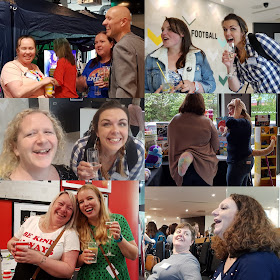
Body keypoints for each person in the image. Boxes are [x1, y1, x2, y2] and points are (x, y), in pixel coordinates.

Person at [7, 191, 80, 280]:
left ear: (72, 214)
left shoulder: (70, 234)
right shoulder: (32, 220)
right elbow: (12, 241)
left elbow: (68, 271)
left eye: (69, 208)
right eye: (60, 204)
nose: (63, 209)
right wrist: (13, 249)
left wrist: (38, 259)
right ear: (53, 204)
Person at [70, 100, 144, 180]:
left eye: (122, 124)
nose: (115, 131)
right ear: (97, 131)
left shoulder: (138, 150)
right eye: (106, 124)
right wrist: (81, 179)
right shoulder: (80, 148)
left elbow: (130, 184)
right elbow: (73, 180)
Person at [76, 184, 138, 280]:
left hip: (116, 276)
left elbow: (133, 255)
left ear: (100, 200)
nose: (86, 203)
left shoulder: (118, 220)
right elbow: (72, 262)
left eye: (90, 198)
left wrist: (119, 239)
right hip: (89, 276)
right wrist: (81, 258)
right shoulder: (78, 227)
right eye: (81, 202)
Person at [211, 194, 280, 280]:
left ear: (243, 216)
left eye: (224, 208)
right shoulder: (230, 254)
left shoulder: (256, 262)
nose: (213, 212)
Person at [0, 108, 77, 180]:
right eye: (31, 134)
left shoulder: (68, 173)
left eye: (48, 132)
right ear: (15, 147)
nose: (42, 140)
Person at [145, 17, 216, 93]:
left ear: (182, 33)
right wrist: (154, 97)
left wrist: (194, 86)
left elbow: (211, 85)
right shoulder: (151, 59)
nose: (163, 33)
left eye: (170, 29)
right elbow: (144, 89)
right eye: (162, 30)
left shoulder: (198, 56)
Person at [168, 93, 219, 186]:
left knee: (187, 198)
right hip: (204, 166)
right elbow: (216, 146)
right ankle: (189, 155)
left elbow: (171, 143)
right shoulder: (207, 122)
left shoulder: (174, 120)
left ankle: (187, 156)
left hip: (181, 168)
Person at [222, 13, 280, 93]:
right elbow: (236, 88)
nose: (227, 33)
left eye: (232, 29)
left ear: (242, 31)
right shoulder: (234, 55)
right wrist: (229, 66)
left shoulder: (258, 39)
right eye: (225, 29)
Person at [224, 98, 276, 186]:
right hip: (242, 161)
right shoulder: (242, 123)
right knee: (242, 191)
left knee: (233, 191)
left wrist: (237, 108)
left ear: (239, 110)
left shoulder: (242, 122)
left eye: (231, 110)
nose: (229, 113)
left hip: (238, 163)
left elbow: (229, 122)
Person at [102, 6, 144, 98]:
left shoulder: (121, 46)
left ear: (123, 22)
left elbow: (125, 89)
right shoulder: (140, 42)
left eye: (109, 18)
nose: (104, 23)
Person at [76, 31, 114, 98]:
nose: (98, 45)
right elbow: (82, 89)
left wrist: (111, 84)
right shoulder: (91, 63)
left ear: (111, 44)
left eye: (102, 41)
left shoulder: (117, 63)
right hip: (90, 101)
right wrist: (79, 83)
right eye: (96, 43)